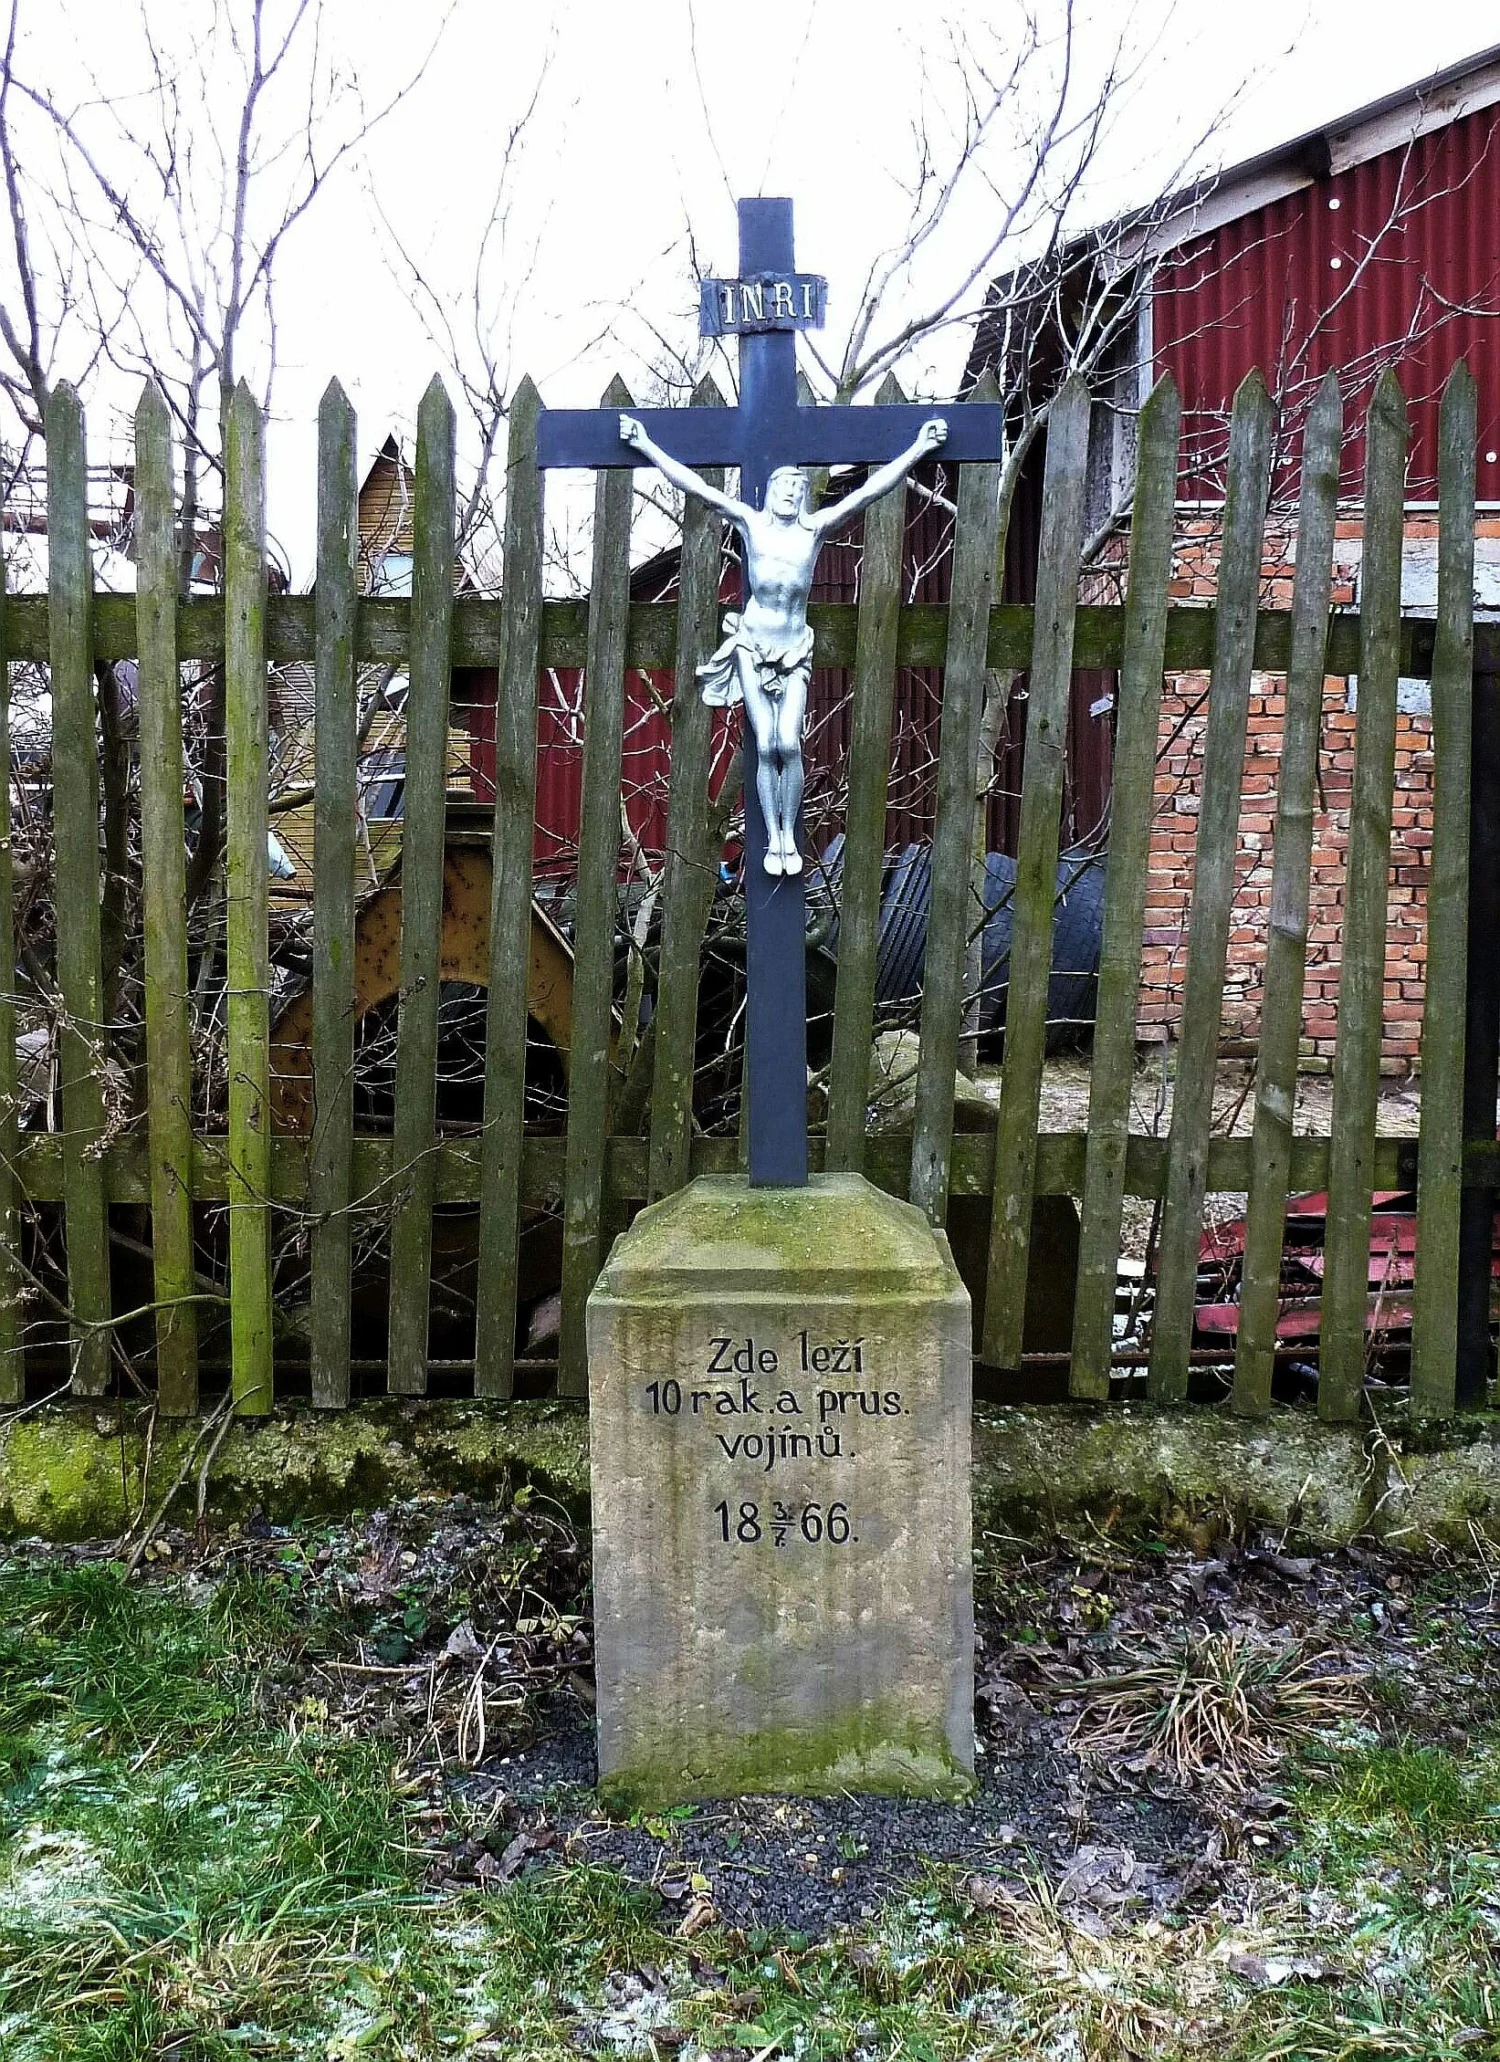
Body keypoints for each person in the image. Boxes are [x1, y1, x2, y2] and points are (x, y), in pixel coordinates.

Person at [619, 411, 947, 875]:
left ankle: (786, 835)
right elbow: (698, 488)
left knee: (787, 744)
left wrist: (919, 449)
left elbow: (870, 491)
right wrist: (646, 445)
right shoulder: (751, 524)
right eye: (783, 490)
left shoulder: (814, 530)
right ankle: (773, 840)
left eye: (797, 491)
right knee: (766, 745)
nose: (790, 497)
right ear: (771, 493)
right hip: (752, 645)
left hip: (794, 649)